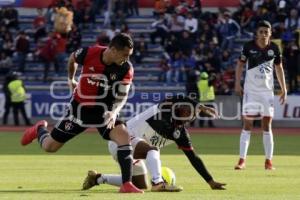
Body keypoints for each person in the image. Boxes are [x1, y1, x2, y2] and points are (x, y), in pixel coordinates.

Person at [21, 33, 143, 193]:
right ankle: (39, 130)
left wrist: (114, 112)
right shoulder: (88, 52)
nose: (126, 59)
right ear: (113, 50)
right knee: (50, 147)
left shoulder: (126, 68)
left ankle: (126, 184)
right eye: (124, 55)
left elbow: (123, 94)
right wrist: (71, 79)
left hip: (104, 111)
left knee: (123, 136)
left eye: (129, 55)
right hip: (79, 109)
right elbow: (72, 59)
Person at [82, 95, 226, 191]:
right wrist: (201, 106)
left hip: (135, 150)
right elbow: (178, 97)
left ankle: (98, 178)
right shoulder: (162, 110)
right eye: (185, 109)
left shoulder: (181, 134)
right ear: (177, 108)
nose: (188, 113)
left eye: (191, 113)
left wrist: (211, 182)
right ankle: (157, 182)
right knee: (153, 149)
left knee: (140, 184)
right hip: (120, 141)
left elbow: (194, 158)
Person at [234, 20, 287, 170]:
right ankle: (242, 160)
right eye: (261, 32)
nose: (263, 34)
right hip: (251, 92)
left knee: (266, 125)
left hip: (266, 93)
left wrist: (284, 88)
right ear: (256, 34)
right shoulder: (248, 46)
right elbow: (240, 65)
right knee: (248, 124)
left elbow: (279, 68)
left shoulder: (275, 48)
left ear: (270, 33)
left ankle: (268, 161)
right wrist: (237, 83)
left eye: (266, 32)